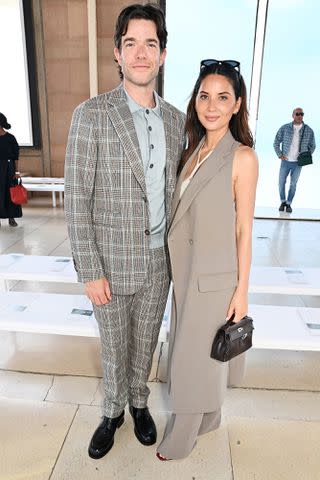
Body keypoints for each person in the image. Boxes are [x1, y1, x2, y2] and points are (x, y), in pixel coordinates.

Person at [64, 3, 185, 460]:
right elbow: (76, 199)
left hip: (160, 261)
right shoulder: (91, 115)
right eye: (130, 44)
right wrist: (89, 270)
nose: (140, 53)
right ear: (117, 53)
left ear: (162, 54)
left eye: (149, 44)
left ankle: (139, 401)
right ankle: (112, 412)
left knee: (147, 338)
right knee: (114, 344)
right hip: (109, 263)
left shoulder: (176, 121)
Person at [156, 59, 258, 461]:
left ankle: (183, 433)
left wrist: (243, 292)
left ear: (236, 105)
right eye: (204, 96)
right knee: (201, 352)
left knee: (191, 359)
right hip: (186, 274)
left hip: (214, 280)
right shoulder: (194, 149)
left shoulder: (243, 157)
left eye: (222, 97)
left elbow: (244, 230)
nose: (211, 105)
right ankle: (210, 416)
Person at [273, 108, 315, 213]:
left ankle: (289, 203)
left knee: (293, 184)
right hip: (285, 161)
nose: (300, 116)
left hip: (298, 163)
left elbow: (313, 145)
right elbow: (276, 142)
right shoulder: (285, 128)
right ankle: (282, 202)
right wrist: (280, 154)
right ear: (293, 115)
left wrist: (305, 156)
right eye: (297, 114)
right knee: (281, 183)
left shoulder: (308, 130)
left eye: (302, 114)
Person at [0, 112, 22, 227]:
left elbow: (16, 156)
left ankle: (11, 218)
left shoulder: (10, 138)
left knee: (10, 193)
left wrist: (17, 172)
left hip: (9, 168)